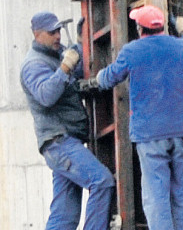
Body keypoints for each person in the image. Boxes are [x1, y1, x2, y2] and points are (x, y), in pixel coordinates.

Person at [91, 5, 183, 230]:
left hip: (150, 134)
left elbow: (109, 79)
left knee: (156, 196)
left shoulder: (132, 51)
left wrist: (97, 76)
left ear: (139, 28)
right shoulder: (182, 47)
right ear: (163, 26)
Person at [20, 11, 115, 229]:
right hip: (59, 142)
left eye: (59, 31)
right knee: (101, 181)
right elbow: (46, 95)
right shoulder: (33, 65)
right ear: (37, 34)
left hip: (66, 142)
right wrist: (65, 67)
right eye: (51, 32)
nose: (57, 36)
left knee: (64, 216)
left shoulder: (56, 54)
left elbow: (79, 67)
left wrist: (83, 43)